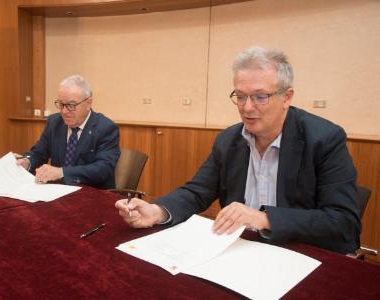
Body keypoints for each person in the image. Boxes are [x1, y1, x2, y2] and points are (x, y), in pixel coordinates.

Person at [115, 46, 361, 254]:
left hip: (296, 254)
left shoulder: (324, 139)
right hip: (237, 250)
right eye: (240, 96)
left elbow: (343, 224)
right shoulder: (228, 140)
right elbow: (197, 191)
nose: (247, 107)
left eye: (260, 97)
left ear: (287, 97)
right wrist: (157, 211)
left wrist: (264, 218)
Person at [16, 75, 120, 189]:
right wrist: (27, 161)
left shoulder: (106, 128)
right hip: (58, 191)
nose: (64, 111)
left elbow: (103, 169)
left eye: (71, 105)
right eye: (61, 104)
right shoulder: (54, 122)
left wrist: (62, 172)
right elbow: (39, 153)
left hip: (92, 193)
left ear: (88, 103)